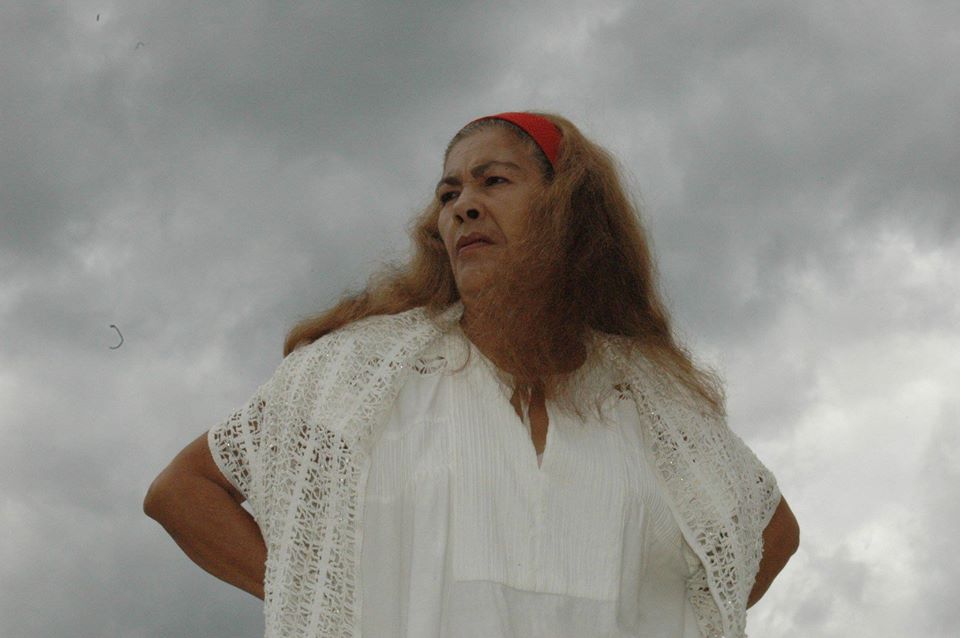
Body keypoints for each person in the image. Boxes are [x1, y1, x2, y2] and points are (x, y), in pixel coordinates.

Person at [144, 111, 799, 637]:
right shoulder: (360, 372)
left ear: (567, 209)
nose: (463, 206)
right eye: (449, 193)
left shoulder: (651, 398)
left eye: (494, 181)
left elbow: (772, 532)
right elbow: (183, 490)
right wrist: (325, 601)